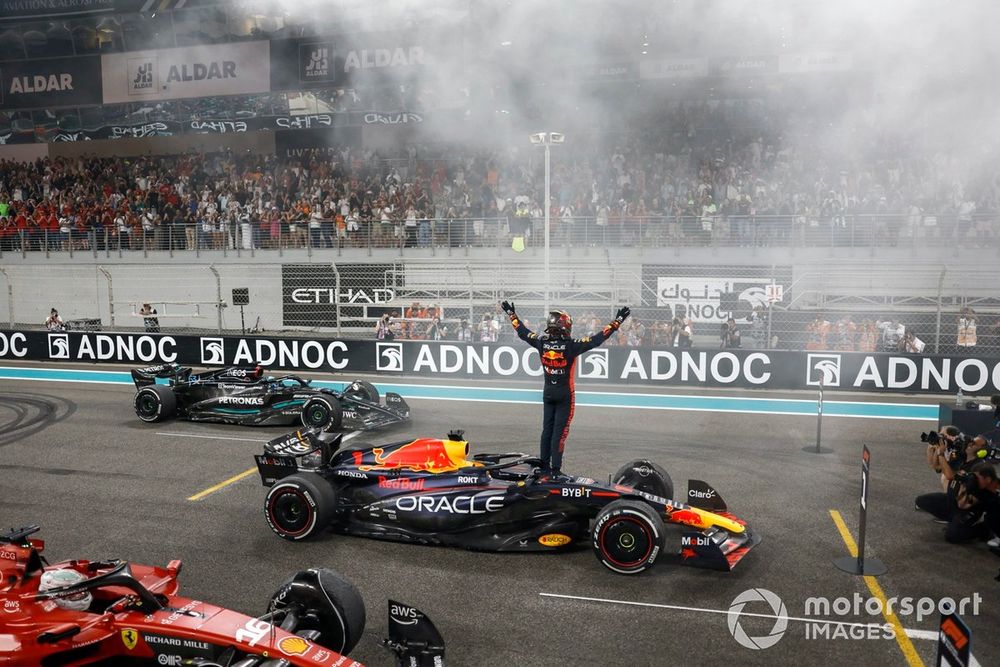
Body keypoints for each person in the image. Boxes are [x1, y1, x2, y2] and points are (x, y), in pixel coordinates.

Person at [501, 300, 629, 478]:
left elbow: (522, 332)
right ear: (565, 326)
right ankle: (555, 471)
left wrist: (512, 315)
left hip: (548, 394)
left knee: (547, 430)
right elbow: (598, 339)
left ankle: (544, 466)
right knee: (559, 434)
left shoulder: (541, 343)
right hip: (565, 396)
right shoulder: (572, 346)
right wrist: (617, 322)